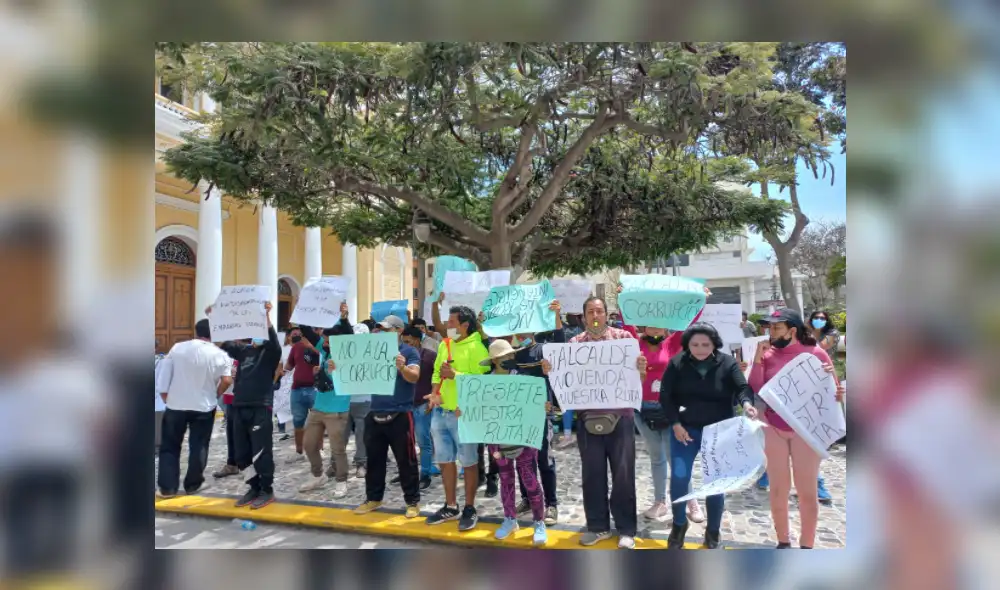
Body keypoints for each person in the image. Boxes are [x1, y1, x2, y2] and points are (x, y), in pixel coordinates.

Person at [542, 296, 646, 549]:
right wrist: (551, 370)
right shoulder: (575, 344)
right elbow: (565, 378)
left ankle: (626, 528)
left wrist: (640, 369)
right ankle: (597, 526)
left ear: (606, 313)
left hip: (621, 417)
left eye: (599, 310)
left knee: (623, 475)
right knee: (592, 474)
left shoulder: (623, 340)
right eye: (590, 311)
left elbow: (637, 377)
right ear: (584, 316)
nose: (595, 315)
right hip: (588, 419)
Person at [747, 308, 845, 549]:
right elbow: (755, 389)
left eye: (776, 327)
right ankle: (783, 541)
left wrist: (840, 393)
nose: (771, 332)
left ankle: (807, 544)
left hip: (806, 430)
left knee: (807, 489)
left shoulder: (816, 353)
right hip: (773, 427)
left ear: (792, 330)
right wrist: (758, 361)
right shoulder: (766, 355)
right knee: (778, 488)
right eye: (768, 327)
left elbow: (832, 392)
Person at [660, 322, 756, 549]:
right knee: (680, 478)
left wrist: (747, 404)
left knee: (715, 483)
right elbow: (666, 396)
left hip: (718, 434)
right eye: (695, 344)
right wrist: (675, 423)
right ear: (687, 345)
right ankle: (679, 524)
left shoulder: (728, 362)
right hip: (685, 431)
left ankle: (713, 530)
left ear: (715, 344)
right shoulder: (677, 363)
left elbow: (742, 387)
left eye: (706, 344)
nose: (700, 348)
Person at [424, 305, 490, 531]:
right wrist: (434, 394)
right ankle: (450, 505)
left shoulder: (478, 348)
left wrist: (456, 375)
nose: (447, 326)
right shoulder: (445, 344)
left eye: (451, 322)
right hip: (440, 413)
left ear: (465, 325)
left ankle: (469, 507)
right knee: (445, 460)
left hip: (464, 416)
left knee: (469, 462)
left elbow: (482, 383)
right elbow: (436, 372)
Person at [212, 301, 283, 509]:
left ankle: (266, 490)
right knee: (242, 455)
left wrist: (266, 315)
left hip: (260, 407)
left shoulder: (270, 354)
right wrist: (215, 318)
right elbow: (221, 341)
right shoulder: (243, 352)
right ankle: (252, 486)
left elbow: (272, 338)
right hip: (238, 407)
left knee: (261, 452)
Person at [478, 340, 549, 545]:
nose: (507, 359)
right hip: (497, 439)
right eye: (502, 357)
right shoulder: (484, 382)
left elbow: (538, 402)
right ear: (494, 360)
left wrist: (542, 406)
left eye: (509, 355)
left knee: (529, 478)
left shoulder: (524, 379)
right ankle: (510, 518)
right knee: (506, 478)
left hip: (523, 435)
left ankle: (539, 521)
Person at [353, 315, 423, 518]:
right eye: (381, 329)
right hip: (374, 412)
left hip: (400, 414)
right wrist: (337, 368)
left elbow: (414, 376)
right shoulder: (371, 351)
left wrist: (402, 367)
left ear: (399, 331)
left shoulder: (409, 352)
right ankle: (374, 498)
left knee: (406, 461)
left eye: (388, 329)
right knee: (374, 460)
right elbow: (355, 372)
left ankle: (412, 501)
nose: (382, 333)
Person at [156, 319, 234, 498]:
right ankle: (193, 484)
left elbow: (163, 380)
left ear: (196, 331)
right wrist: (216, 394)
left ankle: (168, 488)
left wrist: (168, 399)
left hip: (176, 405)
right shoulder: (220, 354)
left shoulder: (177, 348)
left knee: (169, 447)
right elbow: (227, 380)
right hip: (204, 406)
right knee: (199, 445)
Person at [503, 301, 564, 526]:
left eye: (525, 325)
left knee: (544, 461)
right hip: (517, 419)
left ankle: (551, 504)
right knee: (522, 461)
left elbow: (561, 344)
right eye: (517, 326)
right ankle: (528, 498)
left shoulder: (543, 349)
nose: (521, 330)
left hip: (540, 417)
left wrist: (557, 314)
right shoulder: (511, 354)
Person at [298, 303, 353, 496]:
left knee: (337, 448)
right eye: (323, 338)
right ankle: (317, 475)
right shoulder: (325, 349)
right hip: (318, 406)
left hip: (337, 409)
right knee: (309, 443)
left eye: (327, 338)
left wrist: (345, 317)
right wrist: (302, 309)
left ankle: (341, 480)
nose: (323, 341)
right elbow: (307, 332)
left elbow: (348, 334)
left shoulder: (348, 354)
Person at [400, 325, 439, 490]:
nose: (406, 345)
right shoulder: (401, 357)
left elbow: (438, 379)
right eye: (403, 342)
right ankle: (408, 472)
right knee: (406, 442)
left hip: (423, 404)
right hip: (405, 405)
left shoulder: (430, 356)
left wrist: (432, 398)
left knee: (424, 442)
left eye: (408, 341)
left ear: (416, 340)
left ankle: (425, 474)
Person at [285, 325, 321, 463]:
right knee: (298, 421)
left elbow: (325, 357)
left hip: (315, 389)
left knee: (318, 421)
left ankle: (318, 450)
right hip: (297, 389)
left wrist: (311, 347)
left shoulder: (320, 345)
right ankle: (299, 451)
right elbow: (289, 366)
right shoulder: (296, 347)